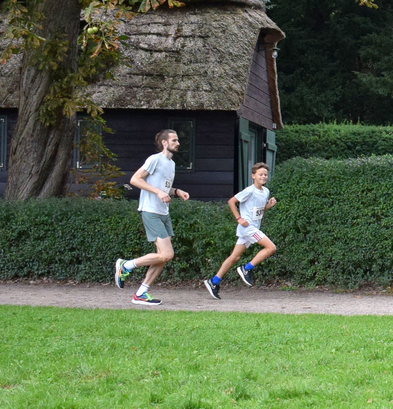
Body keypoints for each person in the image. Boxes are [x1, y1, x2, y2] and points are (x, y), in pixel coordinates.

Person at [114, 129, 189, 306]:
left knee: (162, 256)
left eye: (178, 140)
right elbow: (135, 179)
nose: (178, 143)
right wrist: (158, 192)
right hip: (151, 211)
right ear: (164, 143)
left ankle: (140, 293)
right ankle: (126, 265)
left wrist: (177, 191)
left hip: (164, 212)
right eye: (174, 140)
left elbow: (163, 187)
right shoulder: (155, 159)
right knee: (167, 254)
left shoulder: (170, 164)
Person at [203, 162, 278, 299]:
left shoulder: (265, 191)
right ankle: (246, 269)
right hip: (247, 228)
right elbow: (231, 201)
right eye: (260, 174)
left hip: (253, 228)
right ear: (253, 176)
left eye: (265, 175)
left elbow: (258, 211)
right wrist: (239, 218)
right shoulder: (249, 190)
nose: (263, 177)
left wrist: (268, 206)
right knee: (271, 247)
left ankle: (214, 282)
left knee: (234, 257)